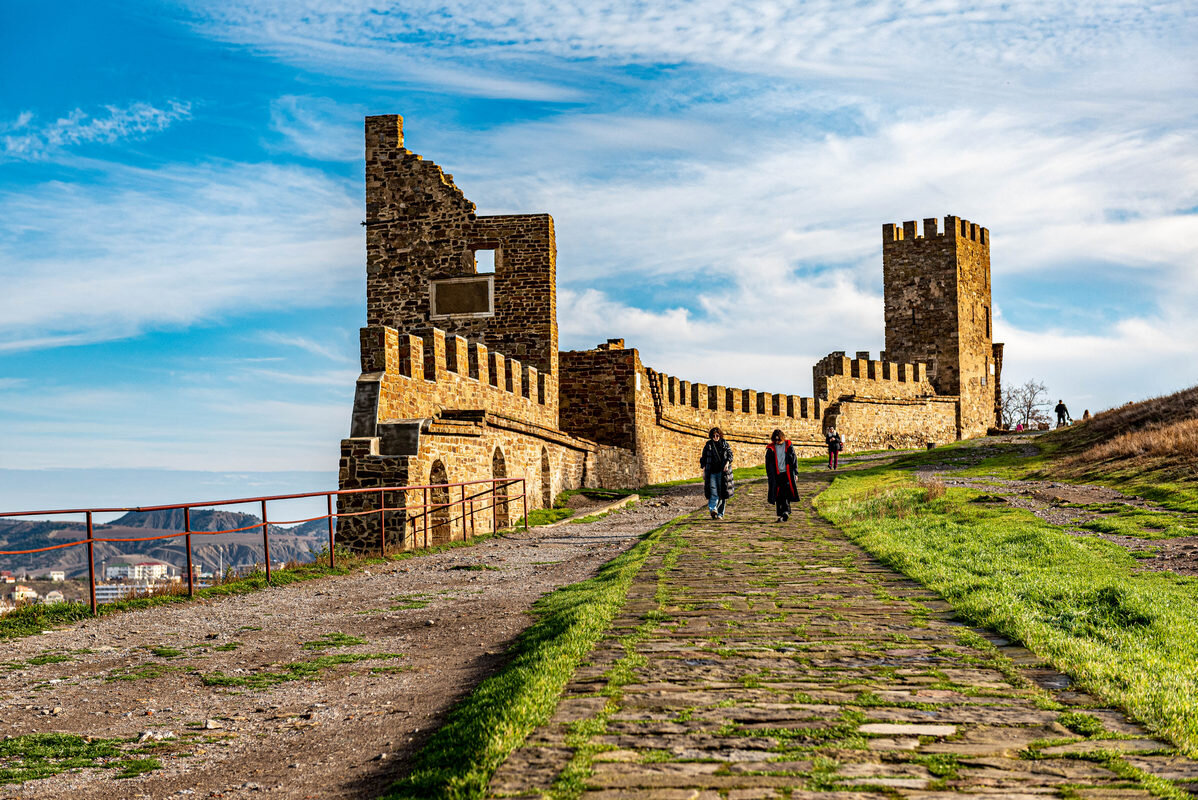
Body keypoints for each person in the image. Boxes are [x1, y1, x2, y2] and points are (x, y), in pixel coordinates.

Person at [765, 429, 799, 522]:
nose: (777, 442)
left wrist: (795, 473)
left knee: (785, 493)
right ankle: (782, 513)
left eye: (778, 439)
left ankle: (785, 512)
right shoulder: (771, 448)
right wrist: (769, 475)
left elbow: (794, 460)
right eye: (775, 440)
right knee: (778, 494)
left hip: (787, 473)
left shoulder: (788, 445)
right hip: (776, 474)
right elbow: (768, 463)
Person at [700, 427, 733, 519]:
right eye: (713, 436)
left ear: (720, 435)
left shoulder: (725, 444)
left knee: (722, 493)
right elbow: (703, 459)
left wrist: (727, 464)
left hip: (723, 473)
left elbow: (730, 456)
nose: (715, 437)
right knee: (713, 492)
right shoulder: (708, 445)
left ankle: (720, 514)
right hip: (712, 472)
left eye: (717, 435)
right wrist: (704, 471)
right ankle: (713, 509)